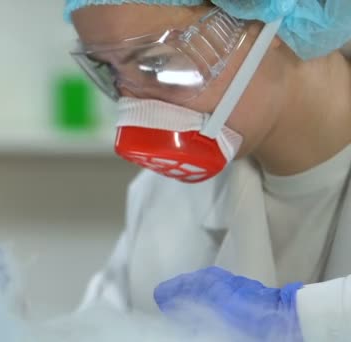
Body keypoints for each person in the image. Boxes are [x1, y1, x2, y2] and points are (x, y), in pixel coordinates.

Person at [61, 1, 351, 341]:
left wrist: (319, 320)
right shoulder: (161, 196)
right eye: (110, 72)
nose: (136, 105)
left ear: (268, 18)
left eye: (156, 61)